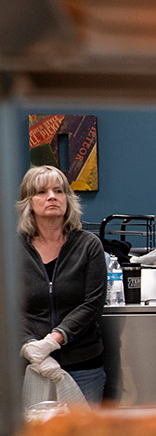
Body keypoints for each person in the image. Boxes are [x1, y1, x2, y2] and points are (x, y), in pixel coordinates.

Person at [18, 165, 108, 404]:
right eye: (42, 192)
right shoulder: (11, 249)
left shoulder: (89, 245)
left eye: (59, 191)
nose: (52, 197)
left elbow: (93, 303)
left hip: (83, 365)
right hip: (29, 366)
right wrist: (29, 345)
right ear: (28, 202)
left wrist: (54, 340)